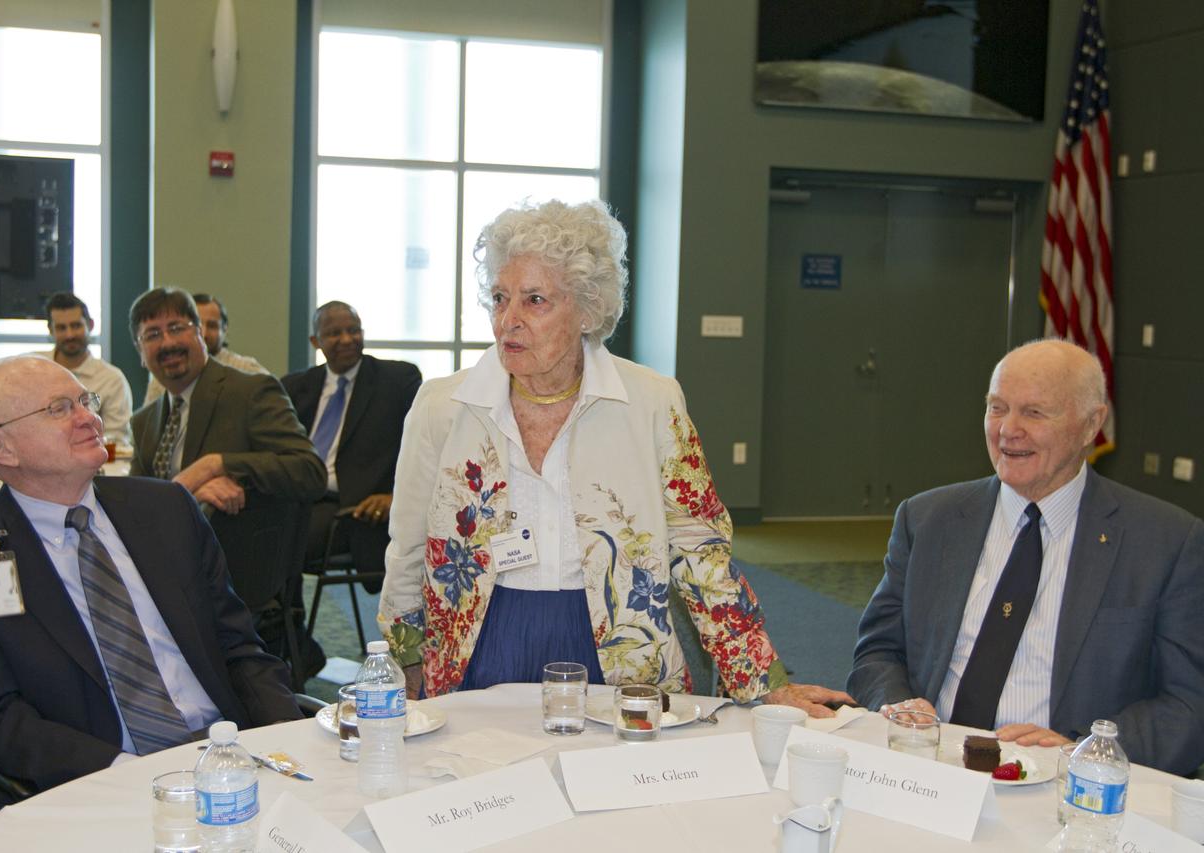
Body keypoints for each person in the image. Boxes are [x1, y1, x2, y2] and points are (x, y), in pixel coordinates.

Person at [378, 199, 852, 715]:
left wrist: (763, 680)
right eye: (499, 297)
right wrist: (403, 662)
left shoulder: (651, 401)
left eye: (534, 300)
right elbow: (409, 547)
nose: (507, 321)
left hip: (617, 652)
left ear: (587, 308)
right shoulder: (443, 407)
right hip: (480, 644)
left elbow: (699, 551)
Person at [0, 356, 302, 793]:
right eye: (59, 409)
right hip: (101, 780)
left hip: (229, 754)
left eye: (86, 401)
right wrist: (126, 775)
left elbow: (238, 647)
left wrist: (286, 736)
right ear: (1, 448)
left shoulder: (166, 510)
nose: (89, 418)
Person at [848, 339, 1204, 775]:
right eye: (997, 408)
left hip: (1064, 786)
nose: (1007, 430)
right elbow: (878, 650)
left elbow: (1189, 704)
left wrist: (1085, 751)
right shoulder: (928, 519)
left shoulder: (1164, 542)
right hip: (930, 771)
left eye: (1034, 413)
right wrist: (899, 705)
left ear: (1091, 424)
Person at [128, 287, 326, 514]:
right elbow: (138, 503)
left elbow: (309, 472)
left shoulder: (251, 392)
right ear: (140, 352)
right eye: (152, 335)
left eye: (176, 328)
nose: (168, 343)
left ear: (200, 334)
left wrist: (216, 465)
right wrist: (189, 497)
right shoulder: (143, 422)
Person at [281, 302, 422, 591]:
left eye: (353, 330)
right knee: (248, 531)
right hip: (297, 496)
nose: (346, 339)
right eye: (334, 333)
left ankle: (284, 629)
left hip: (353, 509)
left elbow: (421, 448)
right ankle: (286, 629)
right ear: (315, 342)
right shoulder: (296, 387)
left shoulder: (396, 381)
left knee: (278, 542)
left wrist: (396, 495)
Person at [39, 291, 134, 445]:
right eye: (61, 328)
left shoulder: (112, 379)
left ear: (90, 325)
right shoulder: (33, 369)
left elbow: (115, 441)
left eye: (76, 326)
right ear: (51, 330)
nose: (69, 335)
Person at [144, 292, 268, 405]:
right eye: (198, 325)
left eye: (212, 326)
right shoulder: (164, 379)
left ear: (225, 330)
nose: (204, 333)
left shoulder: (248, 371)